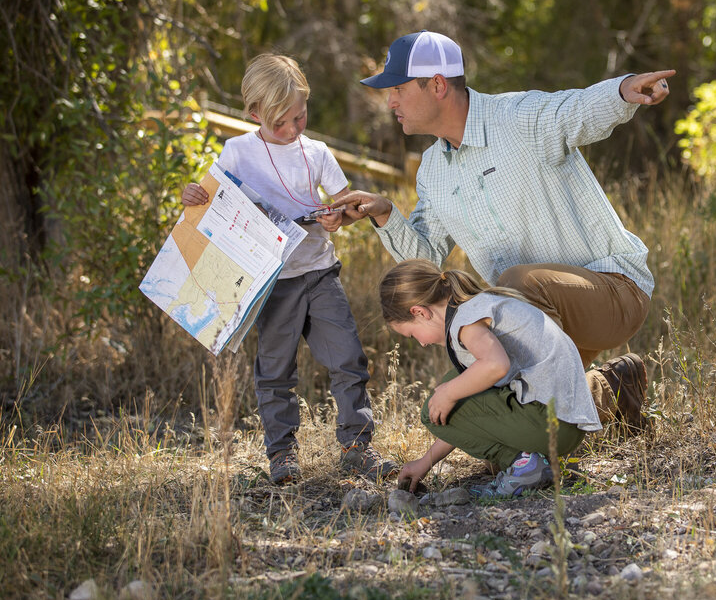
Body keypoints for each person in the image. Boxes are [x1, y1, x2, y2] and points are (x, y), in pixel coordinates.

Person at [333, 30, 674, 433]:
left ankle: (549, 409)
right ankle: (613, 387)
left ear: (437, 85)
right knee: (484, 422)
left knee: (514, 284)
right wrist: (386, 214)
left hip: (612, 291)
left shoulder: (517, 116)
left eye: (399, 88)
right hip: (537, 317)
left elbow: (576, 109)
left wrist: (622, 91)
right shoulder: (432, 171)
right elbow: (424, 261)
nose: (390, 101)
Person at [182, 54, 394, 485]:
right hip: (272, 283)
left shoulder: (315, 152)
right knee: (275, 371)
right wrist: (193, 195)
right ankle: (282, 455)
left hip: (319, 272)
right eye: (283, 122)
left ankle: (357, 446)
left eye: (301, 115)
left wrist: (342, 216)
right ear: (256, 113)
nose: (295, 128)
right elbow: (210, 200)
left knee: (348, 357)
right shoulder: (238, 153)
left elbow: (345, 201)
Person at [381, 259, 602, 497]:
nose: (422, 343)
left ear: (420, 312)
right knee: (458, 381)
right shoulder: (478, 306)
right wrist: (426, 461)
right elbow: (469, 416)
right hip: (567, 425)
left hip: (552, 424)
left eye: (413, 334)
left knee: (441, 397)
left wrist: (449, 392)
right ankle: (540, 462)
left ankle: (527, 466)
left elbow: (496, 365)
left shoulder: (466, 322)